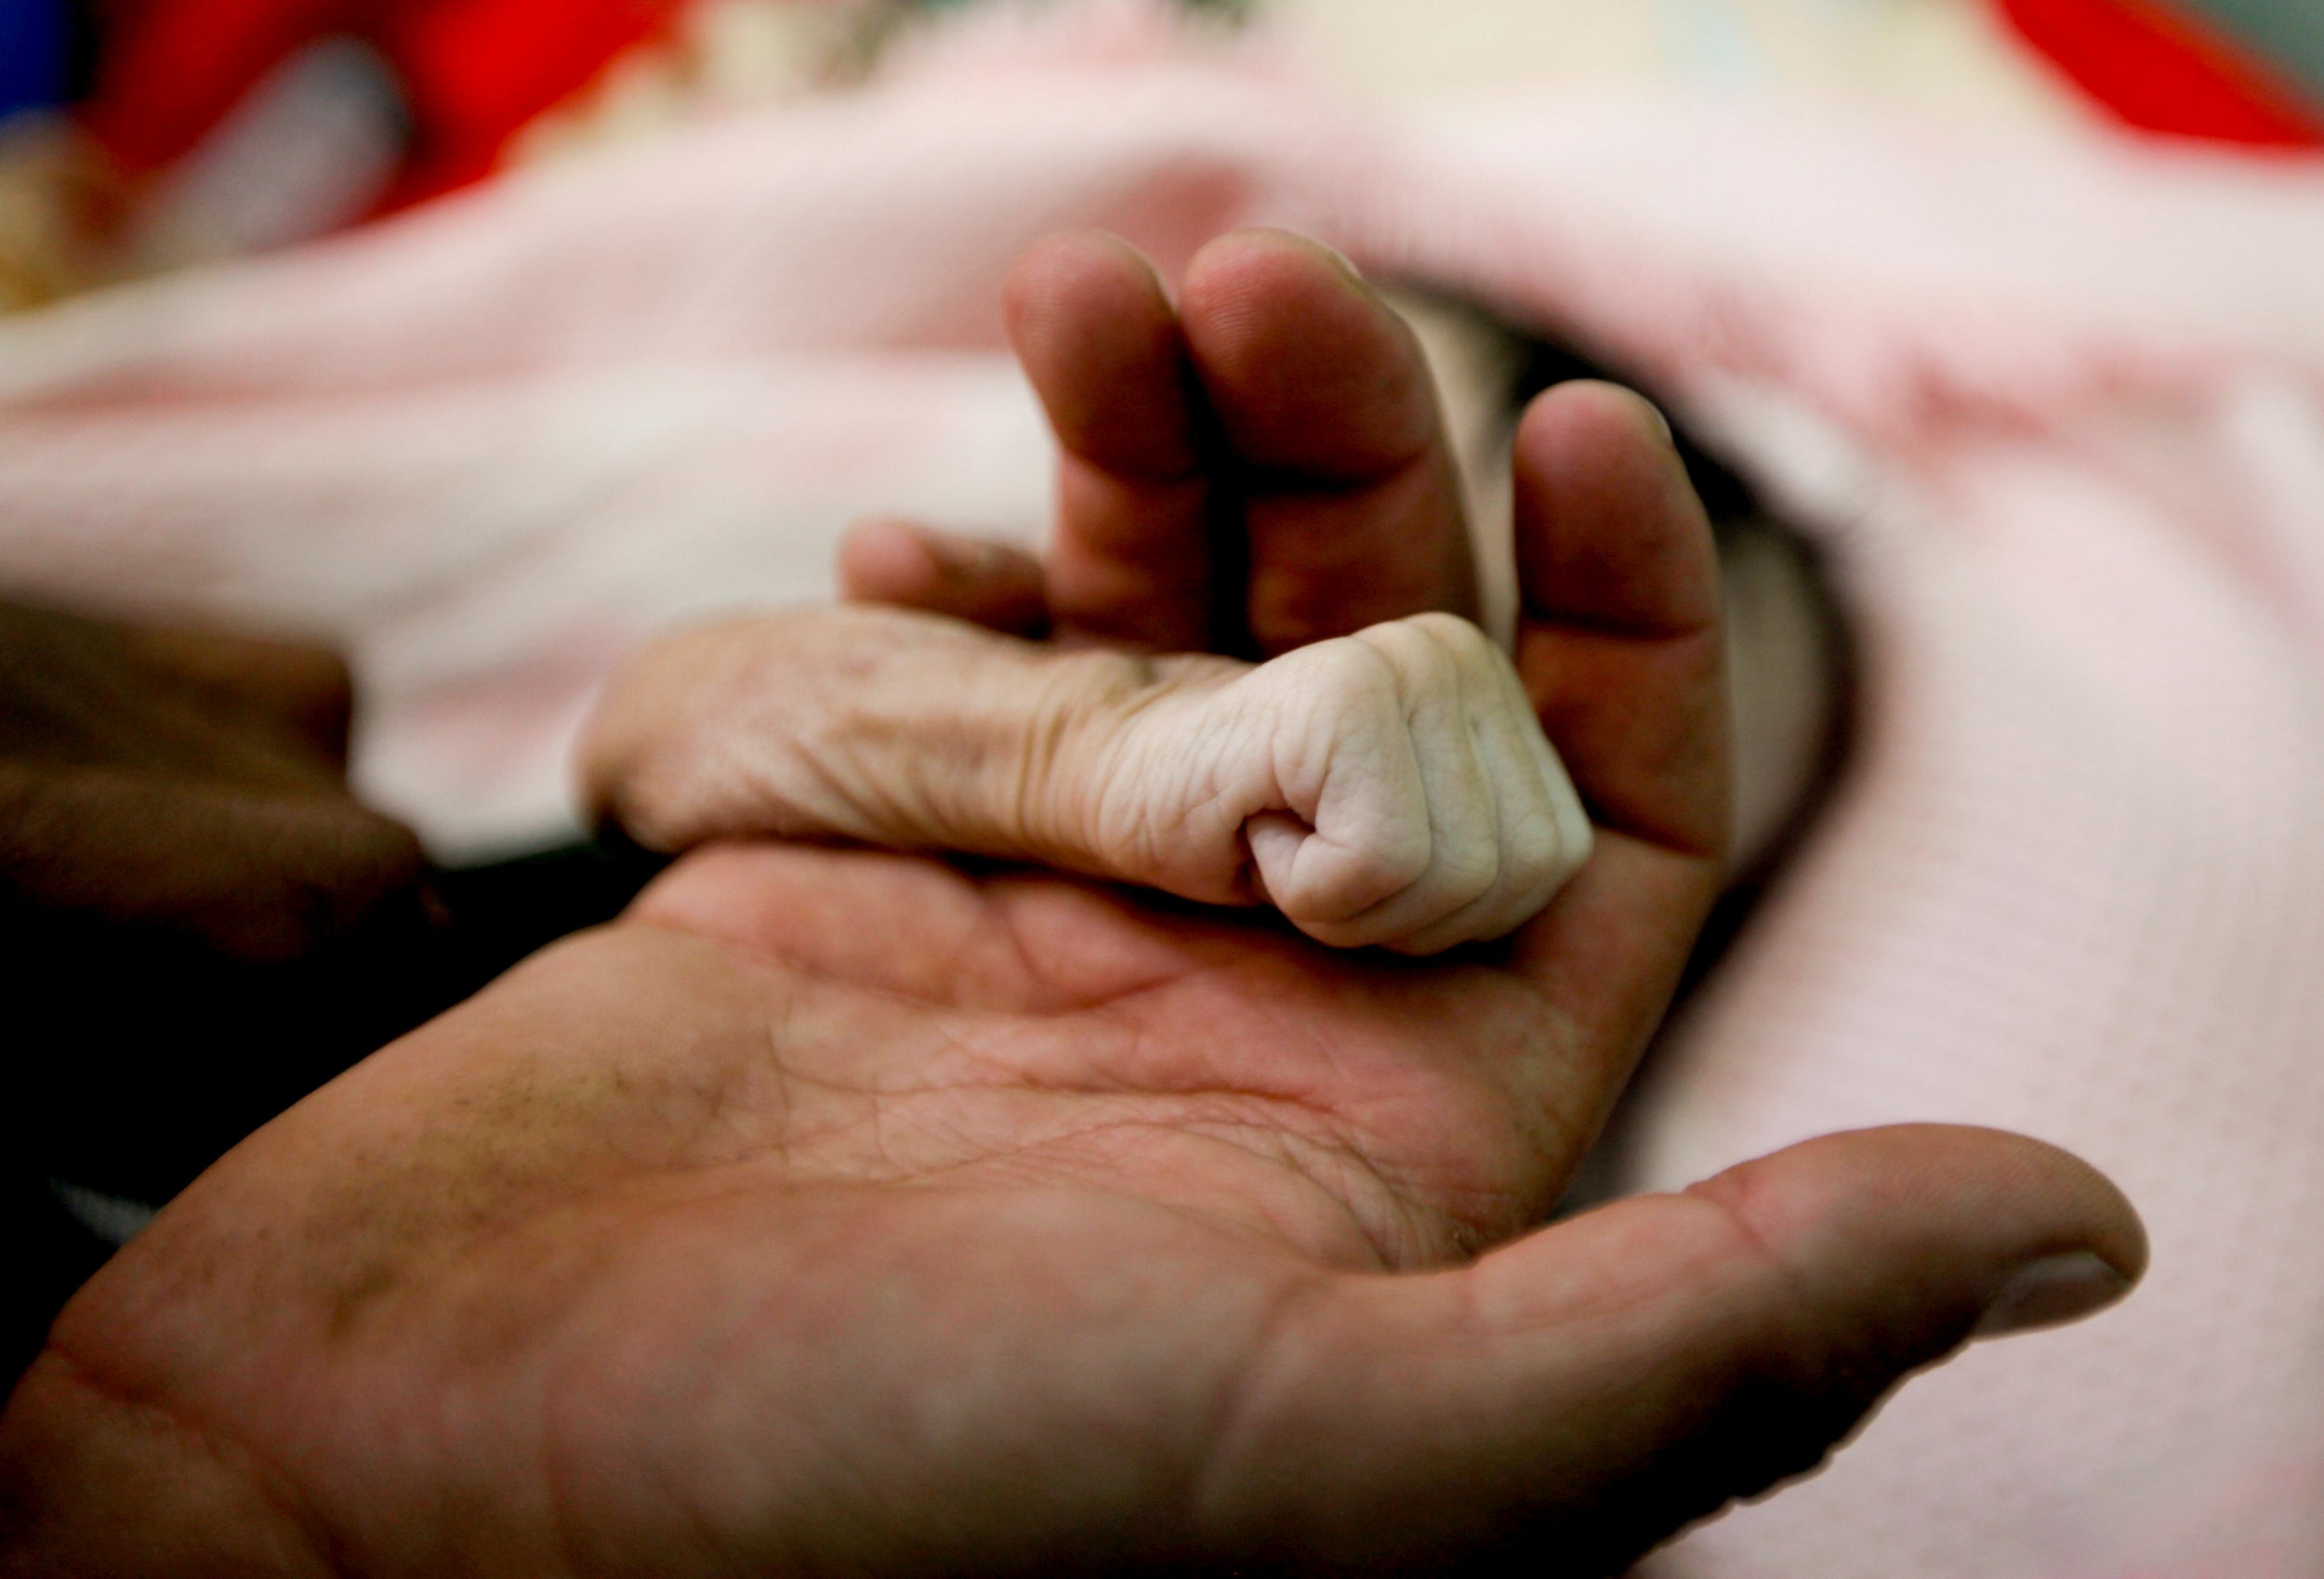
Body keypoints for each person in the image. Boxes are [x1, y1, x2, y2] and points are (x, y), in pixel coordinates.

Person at [0, 229, 2143, 1575]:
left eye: (1600, 799)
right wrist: (1041, 751)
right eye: (1427, 618)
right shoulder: (841, 800)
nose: (1440, 749)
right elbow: (667, 728)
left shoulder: (1405, 1368)